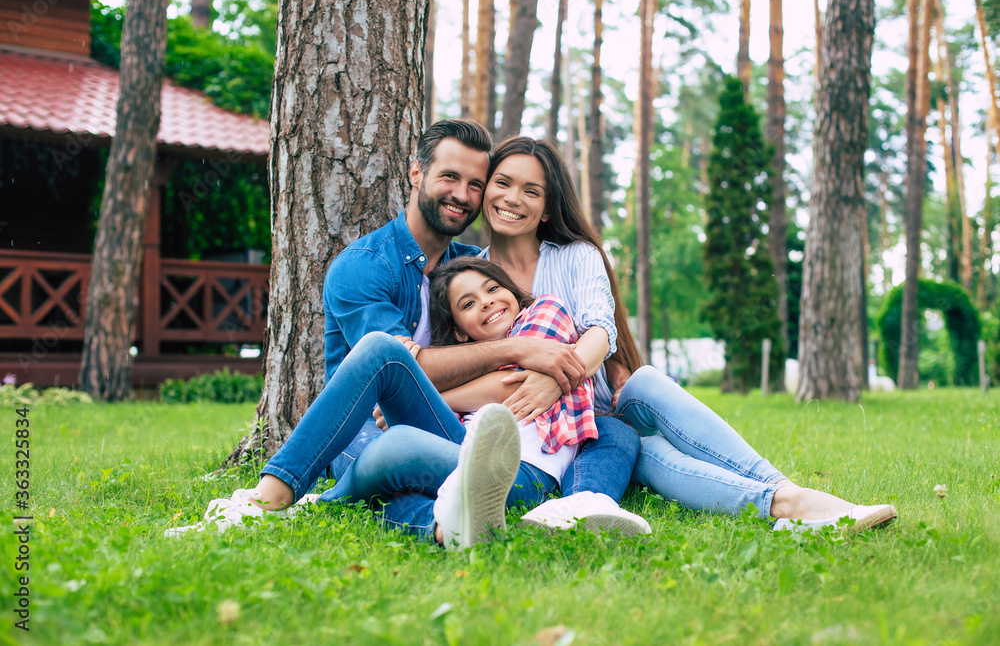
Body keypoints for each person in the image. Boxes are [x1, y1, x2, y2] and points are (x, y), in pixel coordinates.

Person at [355, 135, 896, 534]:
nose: (512, 199)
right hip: (559, 437)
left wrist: (558, 379)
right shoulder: (469, 268)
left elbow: (600, 331)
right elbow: (451, 352)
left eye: (531, 191)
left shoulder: (574, 256)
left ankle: (790, 492)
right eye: (501, 184)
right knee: (650, 455)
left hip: (597, 403)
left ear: (548, 206)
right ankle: (787, 506)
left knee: (644, 384)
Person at [166, 120, 647, 538]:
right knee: (384, 368)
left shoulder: (472, 268)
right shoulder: (364, 266)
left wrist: (588, 364)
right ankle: (266, 501)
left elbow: (545, 343)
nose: (463, 194)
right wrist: (521, 348)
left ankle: (431, 525)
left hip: (454, 431)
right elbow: (410, 369)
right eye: (450, 177)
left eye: (475, 184)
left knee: (404, 468)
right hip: (365, 428)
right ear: (416, 174)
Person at [321, 258, 651, 547]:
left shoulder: (543, 312)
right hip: (465, 456)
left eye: (492, 289)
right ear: (460, 332)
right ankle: (441, 528)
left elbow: (509, 384)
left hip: (522, 472)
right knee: (393, 481)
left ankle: (325, 502)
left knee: (396, 448)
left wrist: (434, 396)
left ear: (511, 291)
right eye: (468, 304)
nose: (487, 303)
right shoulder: (464, 364)